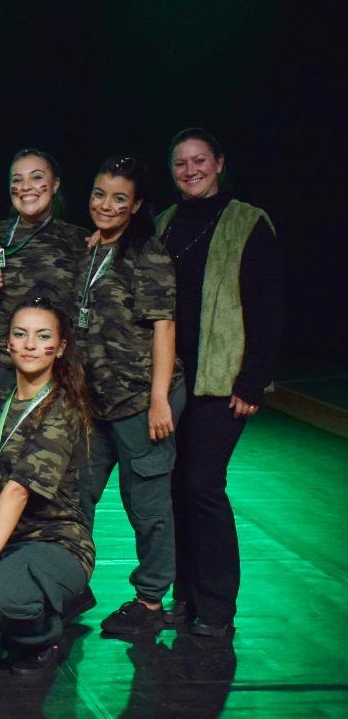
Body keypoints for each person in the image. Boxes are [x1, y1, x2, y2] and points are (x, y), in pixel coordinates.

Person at [156, 128, 282, 638]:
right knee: (175, 489)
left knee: (203, 485)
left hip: (221, 378)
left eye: (199, 160)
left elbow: (269, 307)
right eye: (181, 163)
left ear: (220, 163)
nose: (191, 170)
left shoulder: (249, 222)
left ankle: (217, 607)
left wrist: (252, 381)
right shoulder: (164, 223)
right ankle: (184, 595)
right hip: (172, 379)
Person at [74, 156, 185, 635]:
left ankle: (150, 601)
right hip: (93, 403)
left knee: (147, 506)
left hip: (140, 400)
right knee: (76, 494)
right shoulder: (92, 248)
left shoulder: (148, 253)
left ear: (137, 204)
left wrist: (159, 398)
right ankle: (71, 583)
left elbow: (164, 326)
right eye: (100, 193)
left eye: (120, 198)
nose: (107, 204)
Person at [0, 298, 95, 674]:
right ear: (8, 343)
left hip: (53, 540)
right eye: (20, 335)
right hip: (2, 538)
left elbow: (18, 489)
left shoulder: (63, 408)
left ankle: (44, 635)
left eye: (42, 337)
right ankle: (42, 597)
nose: (29, 345)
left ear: (60, 348)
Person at [0, 149, 89, 396]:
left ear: (55, 184)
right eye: (17, 180)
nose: (26, 186)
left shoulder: (80, 240)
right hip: (0, 366)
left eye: (36, 177)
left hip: (58, 366)